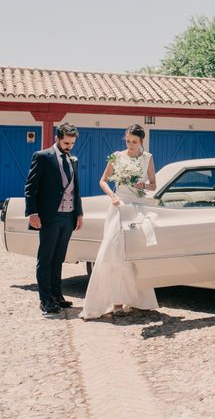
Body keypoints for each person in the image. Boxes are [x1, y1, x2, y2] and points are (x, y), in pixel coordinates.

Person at [80, 124, 159, 319]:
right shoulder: (116, 156)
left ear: (141, 141)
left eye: (134, 141)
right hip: (119, 207)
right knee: (114, 253)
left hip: (138, 208)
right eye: (128, 141)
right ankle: (116, 302)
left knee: (136, 253)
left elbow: (154, 184)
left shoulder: (147, 158)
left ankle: (138, 298)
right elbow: (103, 180)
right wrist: (112, 196)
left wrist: (144, 185)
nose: (130, 145)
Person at [25, 123, 84, 315]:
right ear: (57, 138)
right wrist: (33, 213)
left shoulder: (72, 160)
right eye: (66, 142)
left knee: (59, 258)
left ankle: (57, 295)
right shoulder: (42, 157)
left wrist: (79, 213)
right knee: (46, 258)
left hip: (68, 216)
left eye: (72, 143)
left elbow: (76, 189)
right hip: (50, 216)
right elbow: (31, 187)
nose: (69, 146)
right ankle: (45, 300)